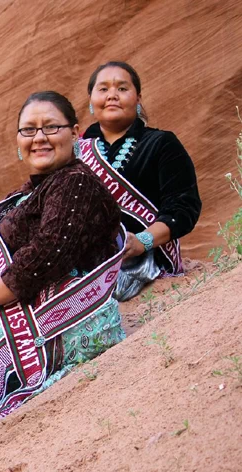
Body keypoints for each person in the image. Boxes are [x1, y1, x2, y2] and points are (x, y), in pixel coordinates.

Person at [0, 91, 126, 429]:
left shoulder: (76, 184)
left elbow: (45, 257)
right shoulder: (21, 196)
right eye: (29, 130)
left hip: (63, 317)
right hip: (13, 303)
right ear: (18, 140)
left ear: (75, 132)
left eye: (51, 128)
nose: (39, 138)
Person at [79, 61, 201, 300]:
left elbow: (183, 208)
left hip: (148, 265)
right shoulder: (75, 152)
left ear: (138, 99)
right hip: (84, 268)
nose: (112, 95)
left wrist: (142, 241)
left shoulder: (161, 143)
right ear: (91, 101)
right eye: (103, 89)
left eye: (122, 89)